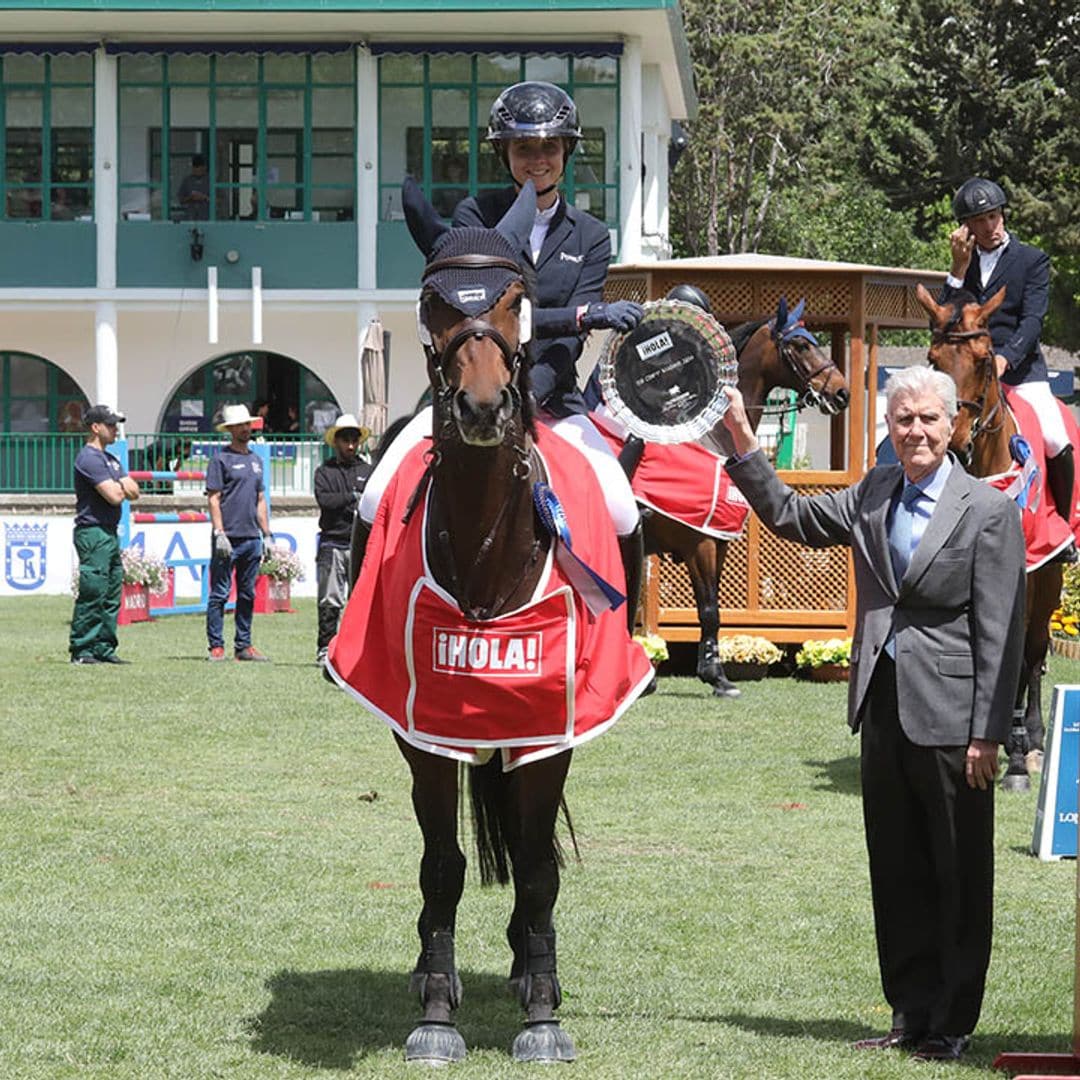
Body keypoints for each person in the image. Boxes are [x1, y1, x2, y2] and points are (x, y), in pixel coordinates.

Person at [720, 367, 1026, 1062]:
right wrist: (741, 439)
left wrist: (989, 734)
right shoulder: (873, 490)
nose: (914, 431)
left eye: (926, 419)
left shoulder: (987, 510)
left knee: (958, 871)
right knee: (896, 869)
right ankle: (909, 1013)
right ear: (888, 427)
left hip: (956, 722)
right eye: (902, 419)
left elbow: (1002, 633)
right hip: (883, 710)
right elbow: (794, 519)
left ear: (952, 425)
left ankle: (951, 1023)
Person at [359, 82, 646, 628]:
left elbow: (559, 335)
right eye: (523, 149)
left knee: (619, 504)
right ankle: (356, 627)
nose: (536, 160)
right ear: (504, 154)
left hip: (552, 396)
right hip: (471, 389)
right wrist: (588, 316)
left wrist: (539, 383)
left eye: (548, 148)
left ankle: (622, 636)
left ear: (565, 153)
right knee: (374, 495)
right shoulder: (476, 215)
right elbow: (485, 316)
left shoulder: (590, 234)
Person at [942, 177, 1073, 523]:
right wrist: (956, 270)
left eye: (994, 216)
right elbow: (944, 321)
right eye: (979, 220)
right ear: (965, 226)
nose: (989, 227)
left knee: (1054, 436)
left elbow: (1032, 321)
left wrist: (1005, 358)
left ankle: (1063, 524)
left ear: (1003, 214)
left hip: (1020, 370)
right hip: (969, 376)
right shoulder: (963, 262)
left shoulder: (1032, 260)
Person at [70, 405, 141, 664]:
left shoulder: (111, 459)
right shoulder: (89, 458)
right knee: (93, 590)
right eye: (110, 425)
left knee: (111, 592)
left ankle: (103, 647)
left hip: (109, 532)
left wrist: (120, 485)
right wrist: (121, 484)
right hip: (93, 532)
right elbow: (114, 496)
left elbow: (135, 491)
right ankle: (82, 649)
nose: (115, 429)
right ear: (95, 427)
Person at [205, 404, 273, 662]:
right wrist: (219, 532)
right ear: (231, 429)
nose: (246, 429)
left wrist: (266, 534)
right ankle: (216, 646)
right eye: (241, 425)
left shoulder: (256, 460)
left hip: (251, 539)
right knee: (220, 593)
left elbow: (260, 499)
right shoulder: (220, 460)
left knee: (247, 594)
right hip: (228, 537)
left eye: (248, 424)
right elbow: (214, 499)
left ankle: (243, 646)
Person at [313, 413, 371, 664]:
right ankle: (325, 647)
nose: (350, 445)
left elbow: (371, 504)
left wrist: (346, 500)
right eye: (345, 439)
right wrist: (351, 497)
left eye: (354, 439)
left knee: (361, 601)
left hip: (361, 545)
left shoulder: (369, 471)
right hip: (332, 543)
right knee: (329, 600)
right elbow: (326, 501)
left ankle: (359, 649)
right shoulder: (324, 471)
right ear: (335, 442)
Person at [178, 153, 210, 221]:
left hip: (207, 218)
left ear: (205, 167)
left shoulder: (211, 181)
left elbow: (220, 201)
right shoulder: (187, 181)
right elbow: (181, 200)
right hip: (190, 217)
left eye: (200, 169)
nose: (197, 172)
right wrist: (190, 198)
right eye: (195, 169)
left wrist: (204, 197)